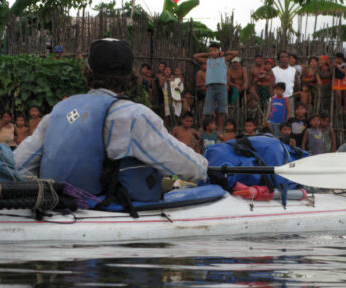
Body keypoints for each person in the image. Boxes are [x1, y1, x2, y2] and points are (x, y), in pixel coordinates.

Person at [14, 38, 207, 209]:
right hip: (102, 212)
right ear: (130, 75)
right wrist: (205, 167)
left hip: (55, 207)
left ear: (88, 71)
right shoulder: (134, 116)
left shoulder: (57, 112)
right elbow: (189, 167)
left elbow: (17, 166)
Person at [193, 43, 238, 131]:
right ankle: (204, 128)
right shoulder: (208, 61)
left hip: (222, 87)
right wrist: (207, 54)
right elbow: (195, 56)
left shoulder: (224, 59)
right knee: (207, 111)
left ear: (219, 51)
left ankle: (219, 130)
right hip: (210, 87)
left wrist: (224, 53)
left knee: (222, 110)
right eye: (210, 51)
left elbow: (235, 53)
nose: (212, 52)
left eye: (214, 50)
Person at [272, 50, 300, 115]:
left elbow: (297, 86)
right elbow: (271, 86)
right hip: (277, 99)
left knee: (289, 117)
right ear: (278, 59)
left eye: (286, 57)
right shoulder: (273, 71)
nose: (284, 59)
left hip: (289, 98)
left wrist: (291, 96)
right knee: (277, 117)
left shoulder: (293, 71)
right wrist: (273, 99)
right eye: (282, 57)